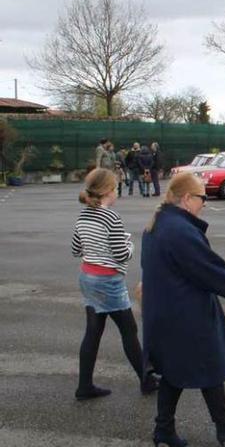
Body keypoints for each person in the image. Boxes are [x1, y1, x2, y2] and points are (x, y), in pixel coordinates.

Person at [141, 172, 225, 447]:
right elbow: (208, 269)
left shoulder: (160, 222)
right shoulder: (180, 230)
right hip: (184, 314)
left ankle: (166, 431)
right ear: (186, 199)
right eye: (202, 197)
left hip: (167, 311)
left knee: (176, 371)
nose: (205, 203)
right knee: (208, 365)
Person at [71, 168, 159, 401]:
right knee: (129, 330)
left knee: (93, 332)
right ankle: (146, 380)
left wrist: (96, 248)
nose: (118, 189)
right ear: (108, 190)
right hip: (108, 281)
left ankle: (85, 385)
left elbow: (76, 249)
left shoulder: (83, 215)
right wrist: (129, 245)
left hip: (87, 277)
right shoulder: (111, 217)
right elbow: (122, 255)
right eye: (116, 185)